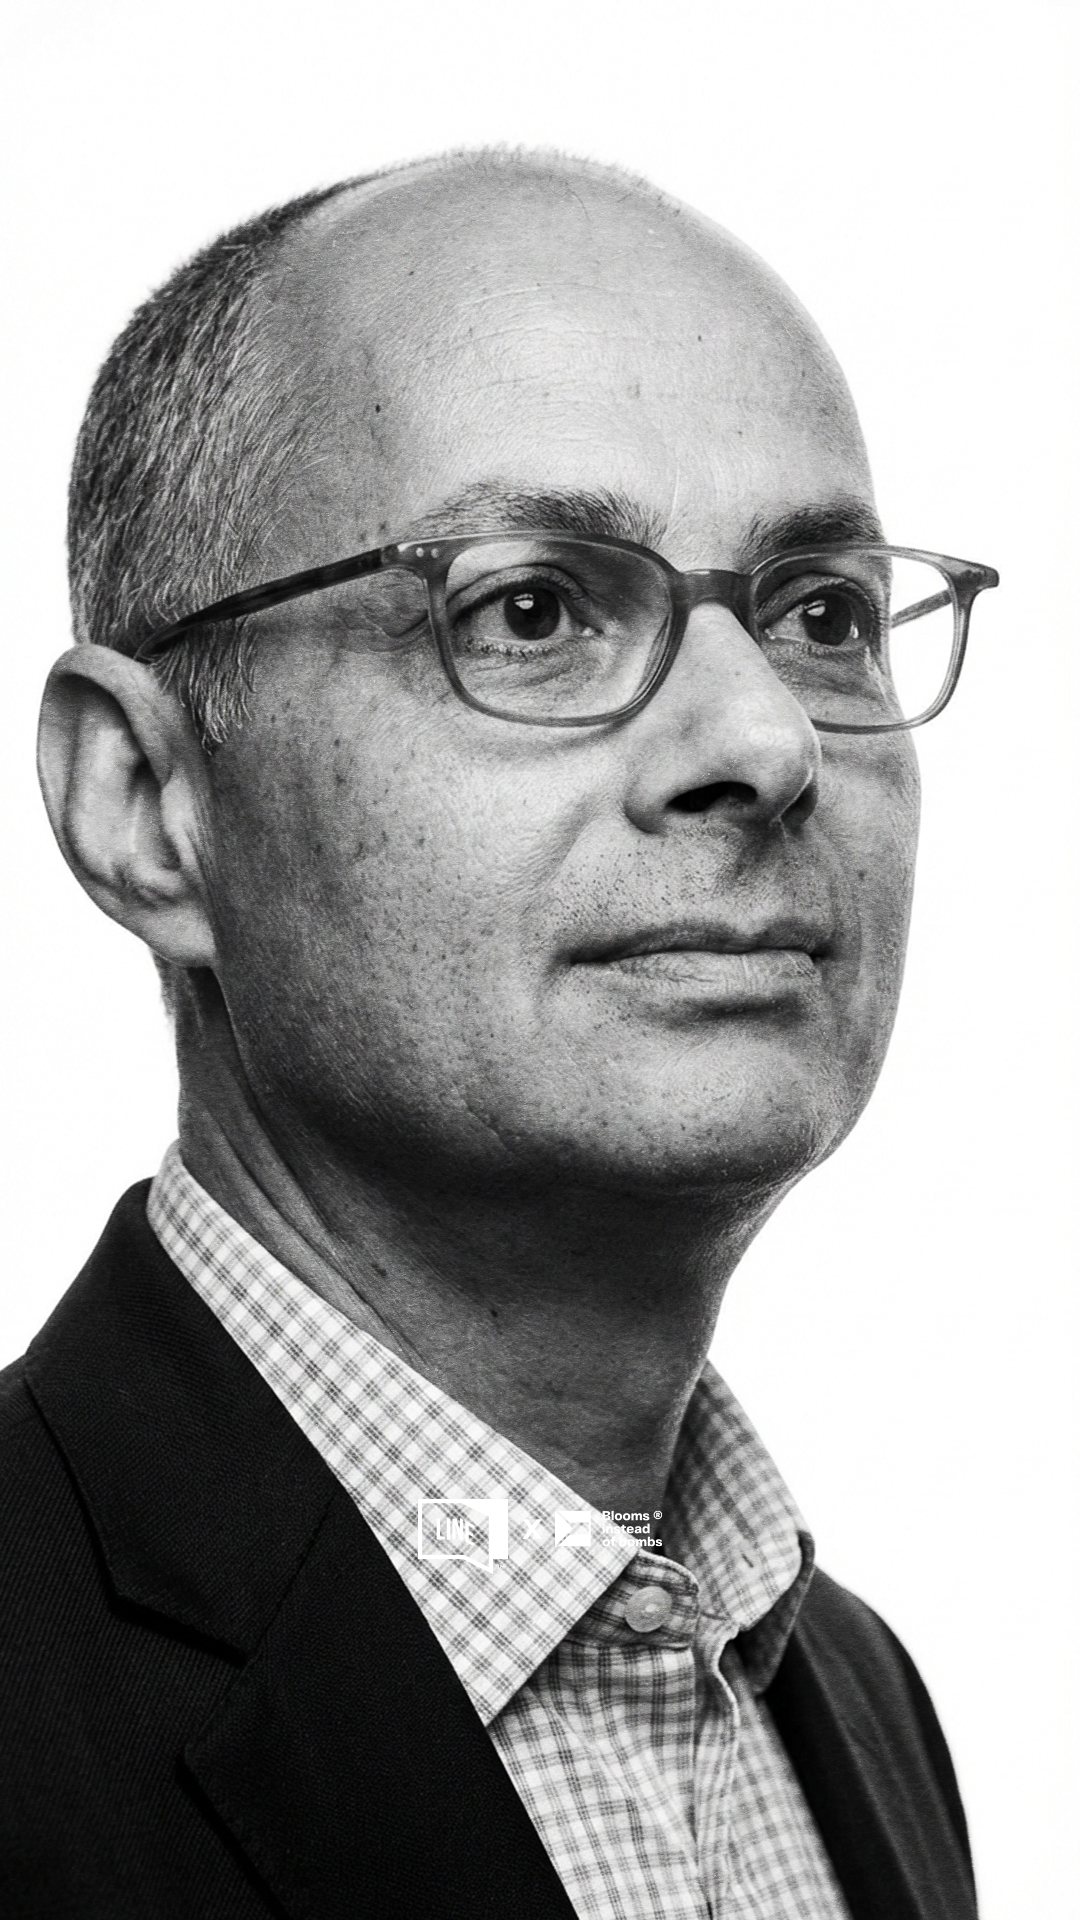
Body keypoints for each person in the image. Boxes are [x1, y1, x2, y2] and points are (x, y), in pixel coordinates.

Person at [0, 150, 996, 1919]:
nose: (764, 740)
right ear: (148, 804)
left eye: (822, 615)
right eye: (530, 610)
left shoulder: (859, 1696)